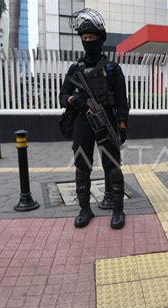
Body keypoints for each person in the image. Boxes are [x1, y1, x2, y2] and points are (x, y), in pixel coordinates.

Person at [59, 8, 129, 229]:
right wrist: (72, 100)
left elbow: (121, 100)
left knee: (113, 165)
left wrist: (122, 124)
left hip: (105, 119)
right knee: (82, 165)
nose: (88, 42)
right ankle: (85, 210)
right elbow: (62, 96)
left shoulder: (112, 68)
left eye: (92, 38)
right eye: (85, 38)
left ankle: (118, 210)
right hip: (82, 121)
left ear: (100, 39)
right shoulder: (75, 68)